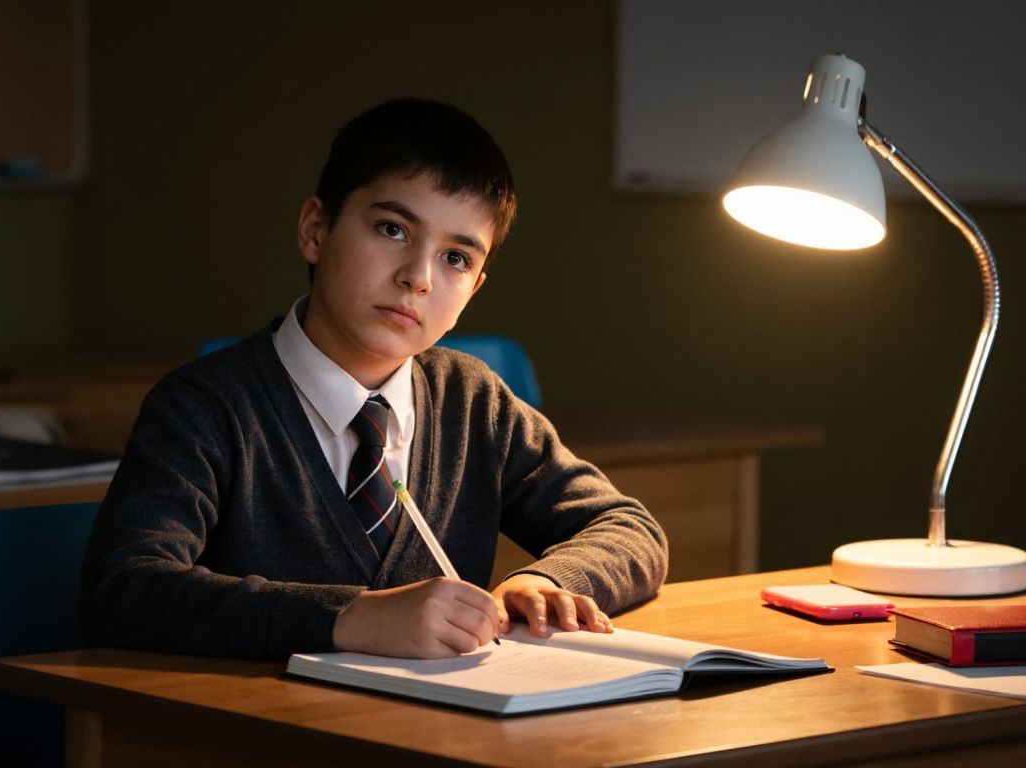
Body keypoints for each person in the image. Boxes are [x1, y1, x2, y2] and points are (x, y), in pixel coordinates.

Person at [80, 97, 667, 660]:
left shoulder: (471, 400)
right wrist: (348, 617)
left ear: (474, 289)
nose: (418, 277)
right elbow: (126, 588)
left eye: (456, 258)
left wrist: (546, 579)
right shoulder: (206, 407)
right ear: (316, 229)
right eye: (392, 230)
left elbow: (628, 527)